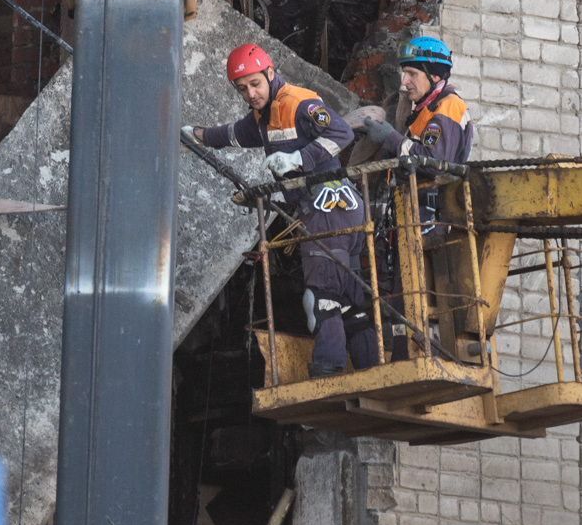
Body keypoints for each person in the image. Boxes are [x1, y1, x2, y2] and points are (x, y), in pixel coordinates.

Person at [187, 43, 376, 378]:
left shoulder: (298, 102)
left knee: (321, 298)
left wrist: (298, 159)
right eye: (242, 89)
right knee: (347, 299)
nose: (251, 93)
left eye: (255, 84)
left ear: (270, 74)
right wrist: (192, 135)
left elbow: (341, 132)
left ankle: (328, 372)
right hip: (335, 208)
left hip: (327, 206)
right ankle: (371, 368)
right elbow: (229, 134)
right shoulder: (263, 117)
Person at [357, 34, 475, 233]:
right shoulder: (427, 108)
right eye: (405, 73)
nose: (404, 81)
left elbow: (434, 161)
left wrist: (389, 137)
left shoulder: (448, 106)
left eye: (412, 74)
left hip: (430, 219)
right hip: (413, 212)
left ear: (434, 76)